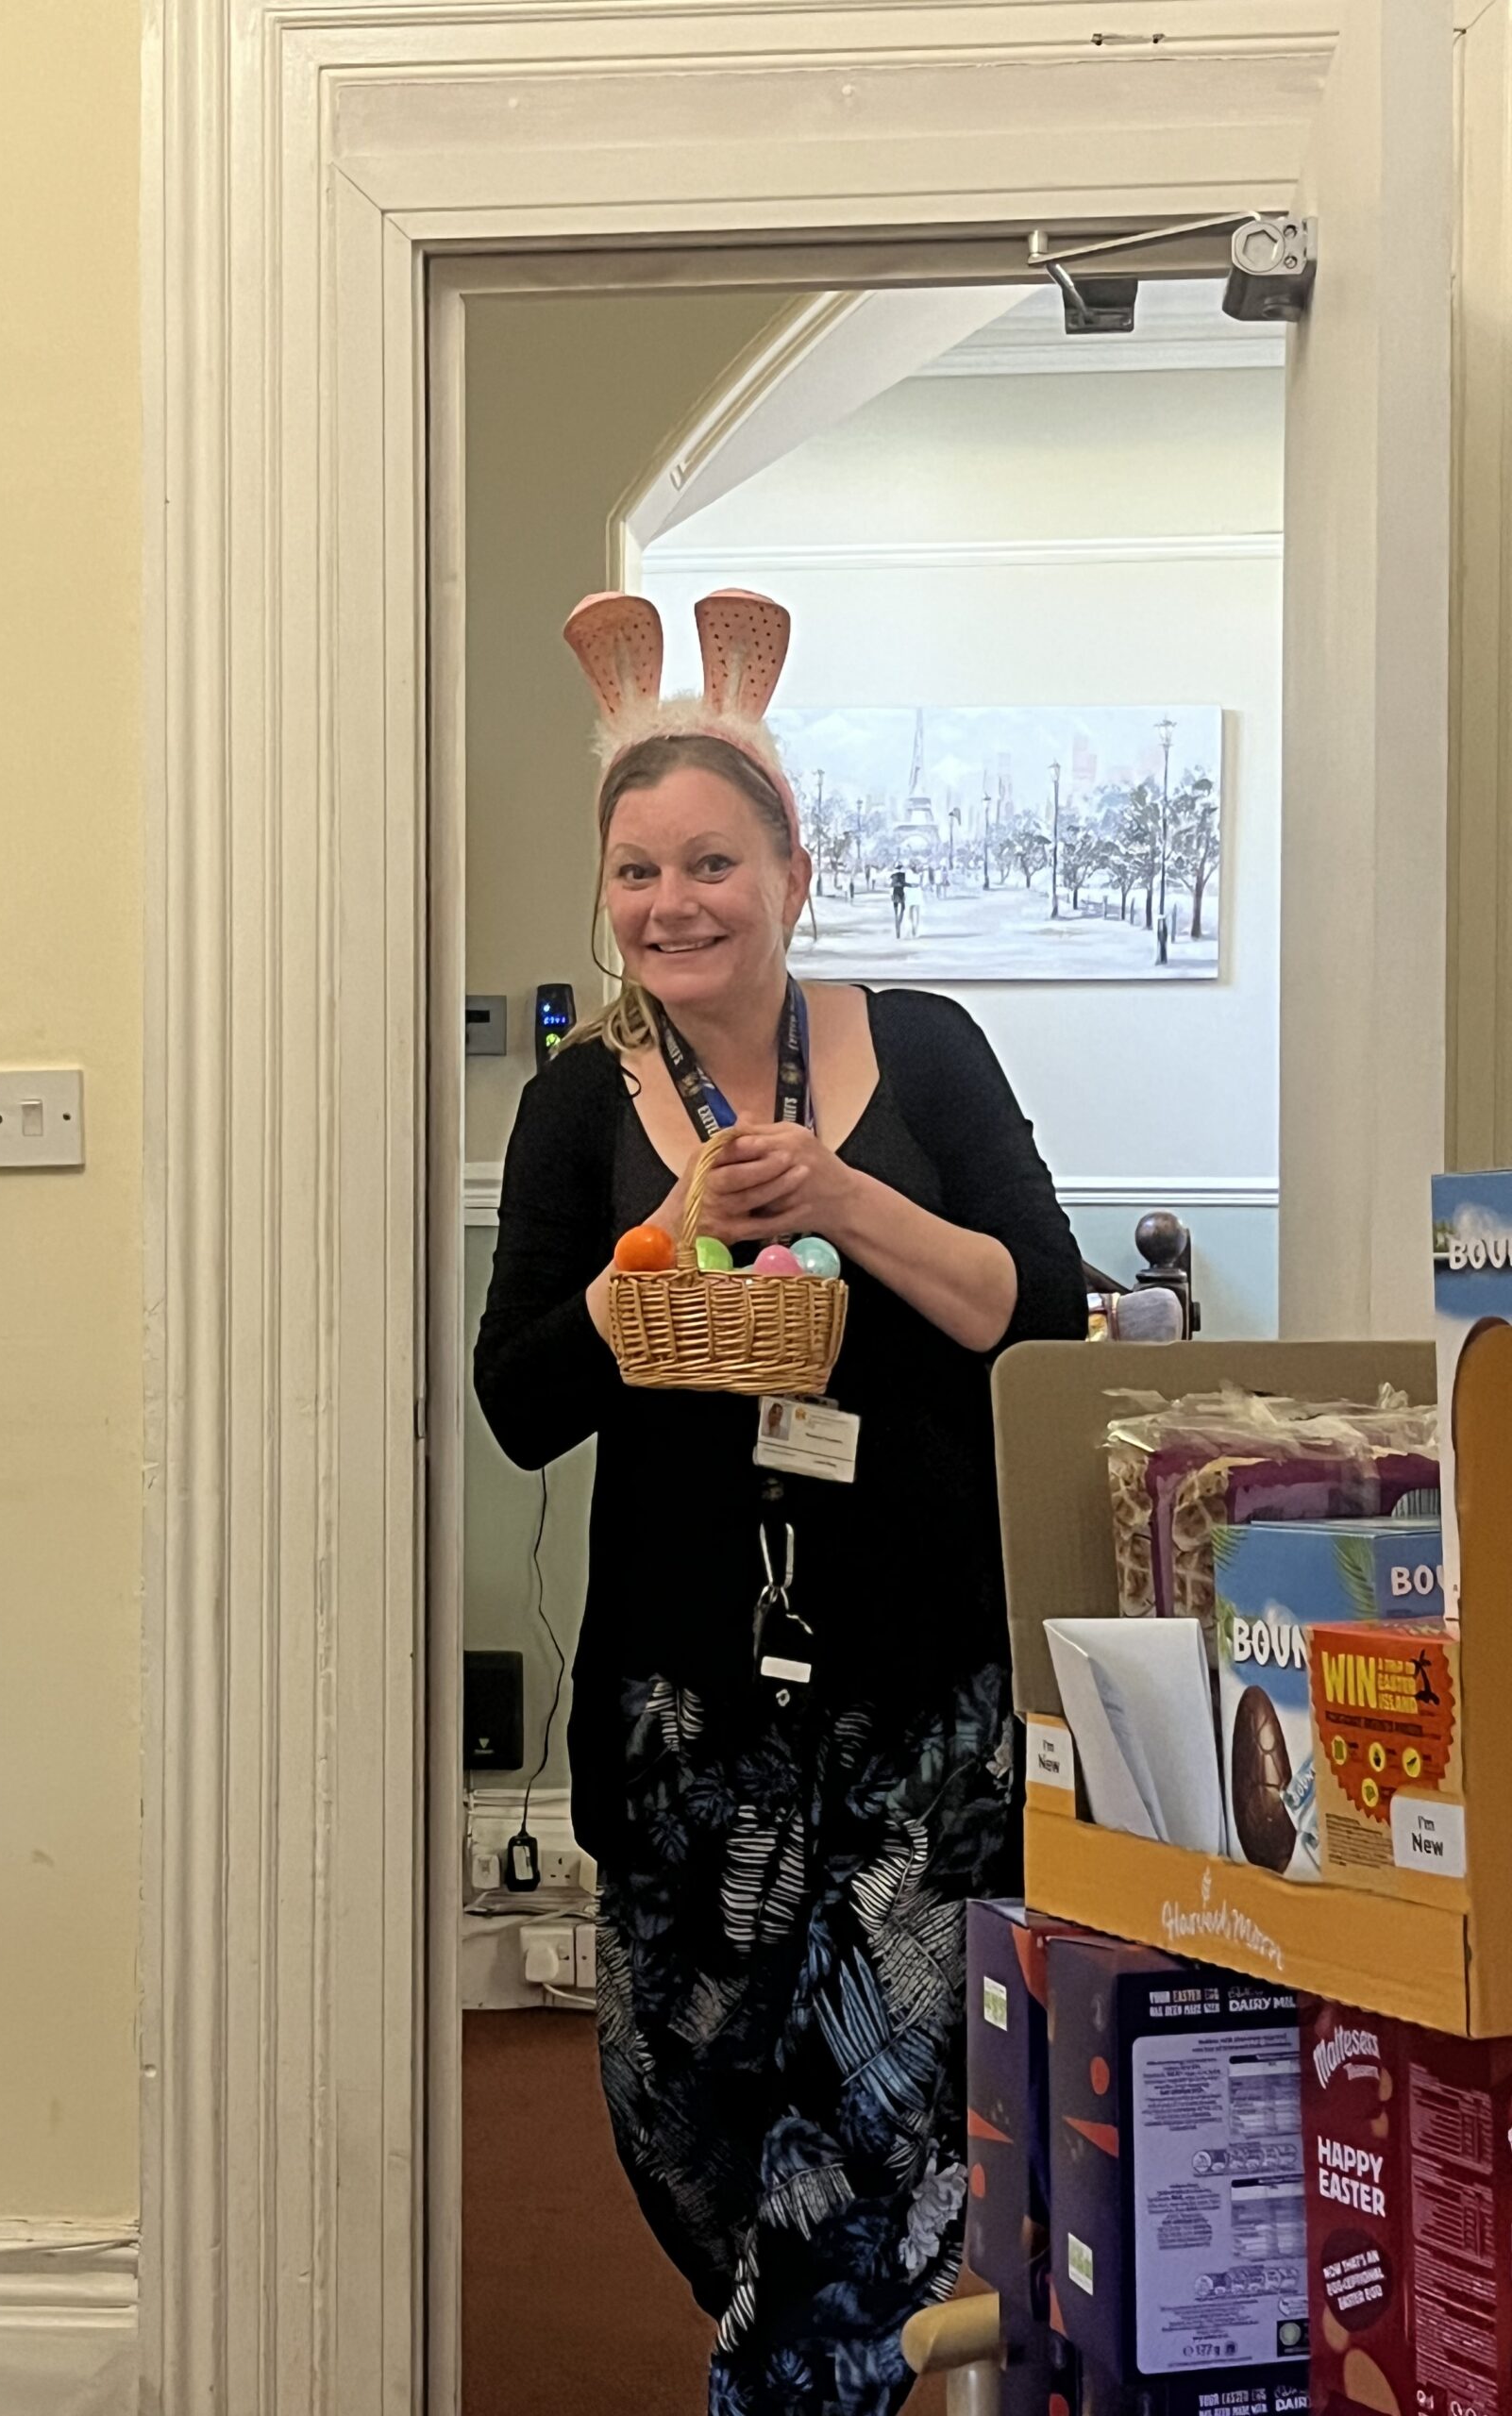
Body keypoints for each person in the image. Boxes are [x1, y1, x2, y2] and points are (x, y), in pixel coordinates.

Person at [475, 589, 1084, 2416]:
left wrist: (840, 1190)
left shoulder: (930, 1047)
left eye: (713, 861)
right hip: (683, 1717)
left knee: (871, 2159)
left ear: (794, 867)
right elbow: (518, 1404)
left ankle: (799, 2377)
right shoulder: (581, 1105)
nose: (674, 902)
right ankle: (790, 2352)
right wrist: (659, 1251)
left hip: (920, 1710)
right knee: (692, 2130)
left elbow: (1037, 1318)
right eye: (639, 869)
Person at [889, 863, 907, 937]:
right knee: (902, 909)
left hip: (895, 893)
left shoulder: (893, 875)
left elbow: (891, 885)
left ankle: (897, 927)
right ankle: (899, 924)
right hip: (901, 893)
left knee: (896, 912)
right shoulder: (903, 875)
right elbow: (905, 884)